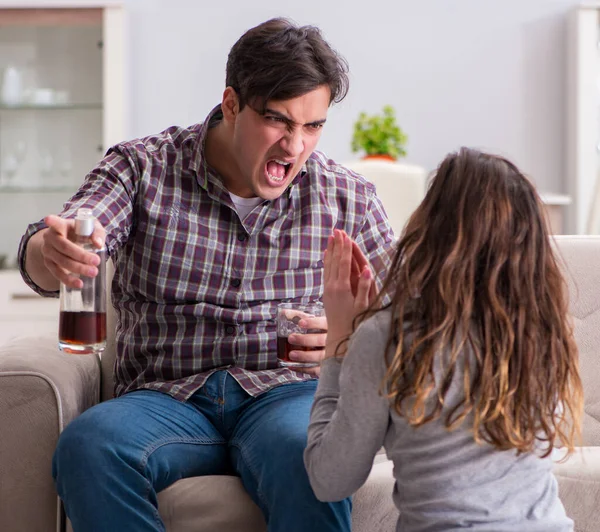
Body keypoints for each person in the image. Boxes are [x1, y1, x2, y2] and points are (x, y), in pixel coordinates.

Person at [17, 17, 395, 532]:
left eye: (313, 126)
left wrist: (349, 338)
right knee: (89, 446)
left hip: (284, 392)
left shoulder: (345, 195)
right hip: (165, 397)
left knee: (307, 455)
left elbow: (407, 316)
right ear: (233, 104)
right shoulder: (143, 167)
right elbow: (66, 237)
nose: (295, 146)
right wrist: (52, 250)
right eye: (279, 121)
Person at [304, 147, 584, 532]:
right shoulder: (544, 332)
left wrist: (340, 344)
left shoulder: (389, 336)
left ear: (430, 229)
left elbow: (329, 481)